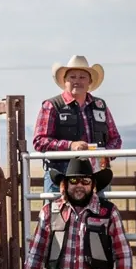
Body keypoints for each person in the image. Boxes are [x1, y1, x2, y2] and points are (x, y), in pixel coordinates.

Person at [33, 55, 122, 192]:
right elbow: (39, 141)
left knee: (99, 212)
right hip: (60, 175)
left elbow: (115, 139)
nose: (77, 81)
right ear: (65, 81)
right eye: (72, 77)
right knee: (56, 212)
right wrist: (71, 146)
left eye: (82, 77)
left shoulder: (100, 106)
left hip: (96, 175)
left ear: (89, 81)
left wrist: (105, 154)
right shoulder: (52, 106)